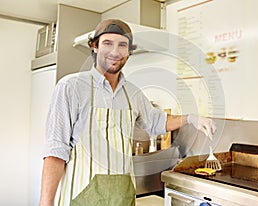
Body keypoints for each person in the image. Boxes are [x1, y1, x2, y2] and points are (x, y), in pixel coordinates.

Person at [39, 19, 216, 206]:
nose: (115, 52)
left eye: (122, 45)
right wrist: (45, 203)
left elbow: (157, 122)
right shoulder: (70, 87)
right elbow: (55, 152)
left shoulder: (133, 93)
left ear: (130, 51)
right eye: (107, 43)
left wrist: (191, 118)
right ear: (94, 46)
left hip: (122, 197)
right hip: (81, 198)